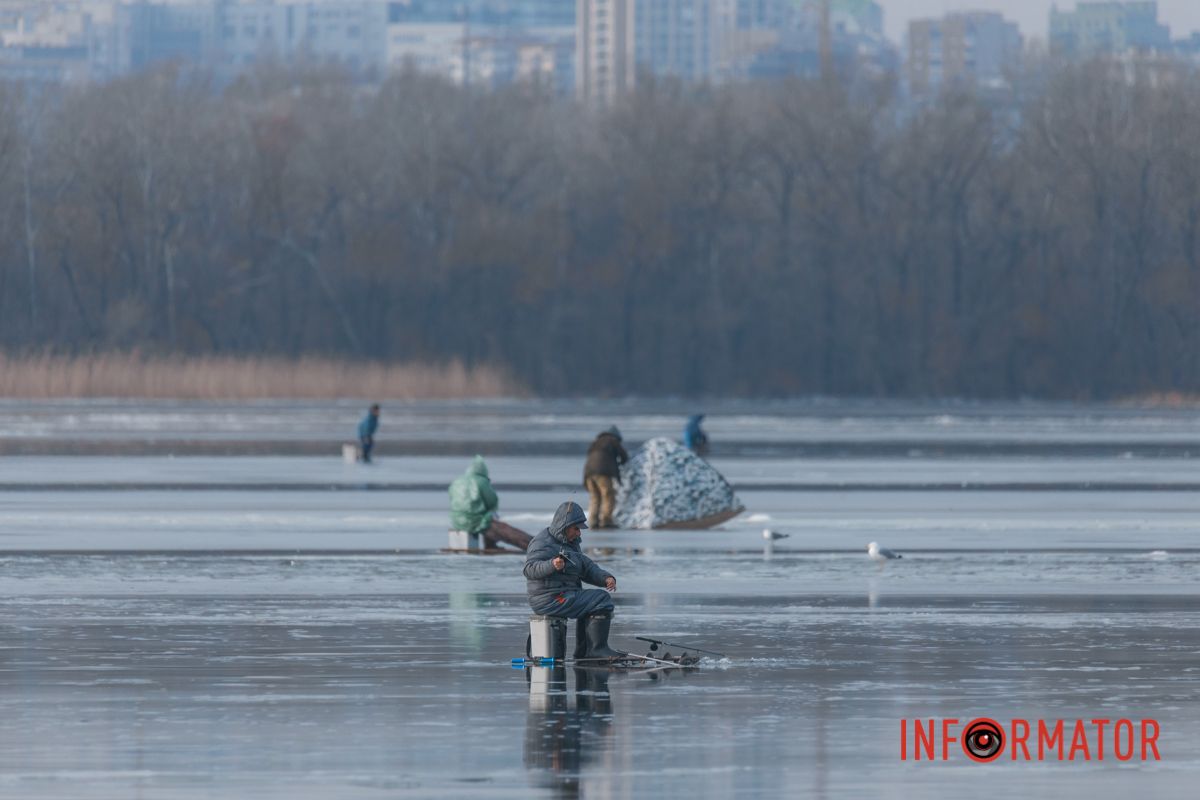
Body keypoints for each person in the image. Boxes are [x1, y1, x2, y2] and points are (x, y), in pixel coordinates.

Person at [523, 501, 620, 660]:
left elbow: (586, 567)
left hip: (564, 594)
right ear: (564, 525)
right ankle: (596, 650)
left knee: (592, 602)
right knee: (601, 600)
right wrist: (551, 565)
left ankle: (584, 652)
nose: (579, 533)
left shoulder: (570, 544)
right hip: (549, 598)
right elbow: (529, 569)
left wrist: (606, 578)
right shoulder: (542, 543)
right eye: (576, 528)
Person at [448, 455, 532, 551]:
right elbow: (492, 501)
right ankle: (533, 546)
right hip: (475, 520)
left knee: (487, 517)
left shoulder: (457, 481)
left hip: (457, 521)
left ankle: (490, 544)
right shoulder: (481, 481)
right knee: (495, 523)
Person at [583, 426, 628, 528]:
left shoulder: (595, 443)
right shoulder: (612, 440)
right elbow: (624, 456)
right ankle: (606, 521)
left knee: (595, 497)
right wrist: (622, 463)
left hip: (589, 473)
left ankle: (593, 521)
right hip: (603, 472)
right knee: (608, 495)